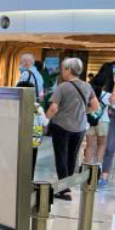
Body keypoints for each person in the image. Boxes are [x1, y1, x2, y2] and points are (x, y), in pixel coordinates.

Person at [48, 57, 93, 196]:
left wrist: (45, 120)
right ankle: (67, 187)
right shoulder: (87, 86)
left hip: (61, 125)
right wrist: (81, 112)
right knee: (72, 156)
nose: (62, 72)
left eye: (63, 69)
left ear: (68, 70)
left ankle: (63, 189)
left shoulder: (63, 87)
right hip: (80, 127)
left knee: (61, 155)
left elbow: (53, 108)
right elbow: (95, 106)